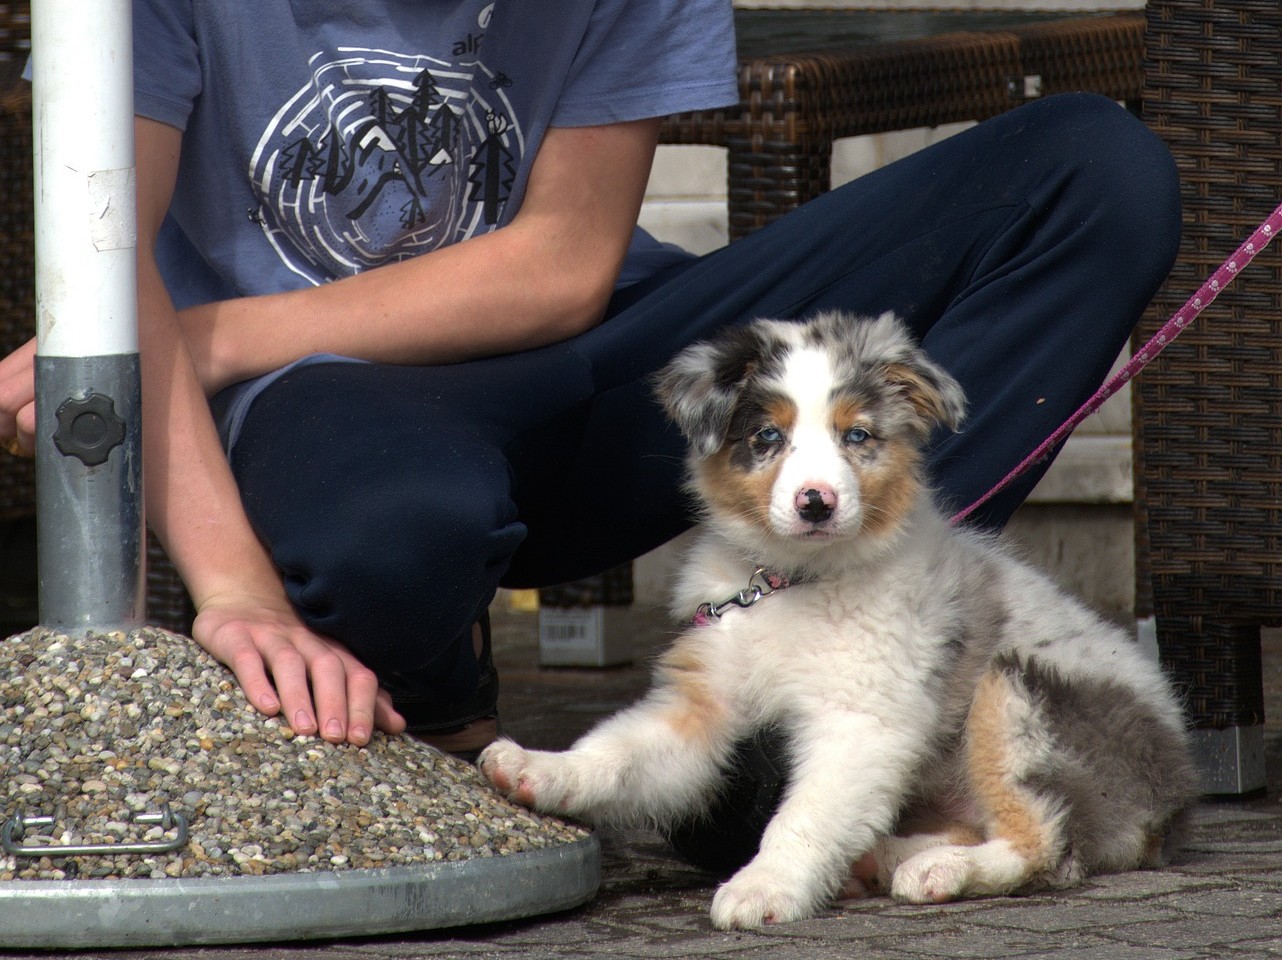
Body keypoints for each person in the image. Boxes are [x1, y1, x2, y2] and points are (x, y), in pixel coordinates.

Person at [0, 1, 1180, 769]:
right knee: (390, 541)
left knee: (1089, 169)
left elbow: (561, 269)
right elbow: (104, 252)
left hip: (607, 371)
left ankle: (864, 672)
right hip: (342, 421)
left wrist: (200, 340)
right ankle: (448, 688)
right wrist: (240, 594)